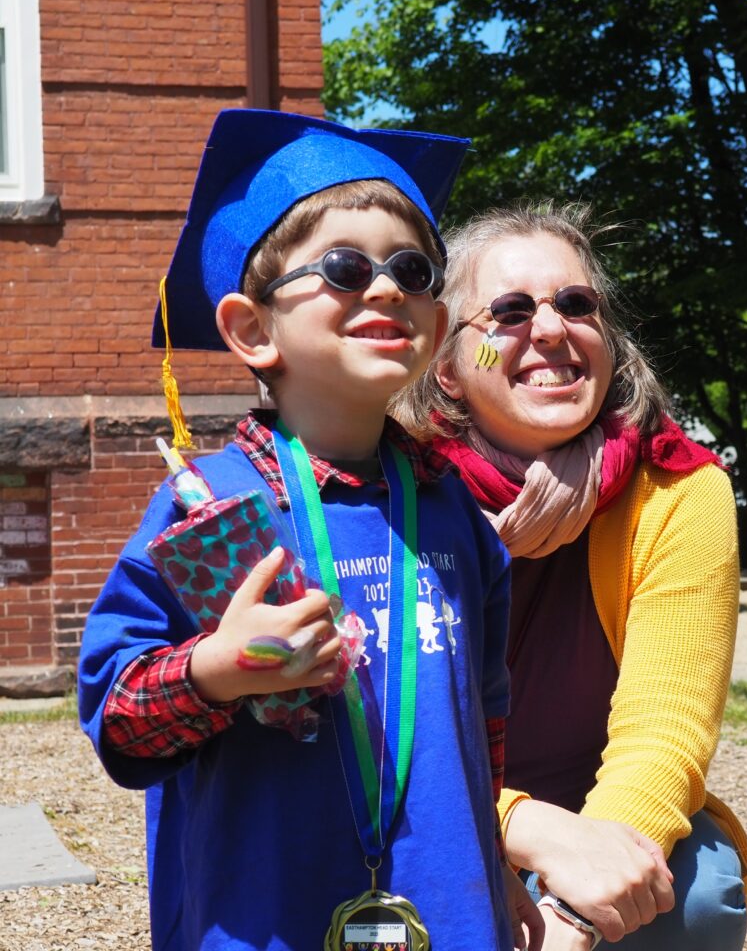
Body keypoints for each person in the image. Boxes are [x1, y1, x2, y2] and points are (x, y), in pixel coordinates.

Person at [78, 110, 542, 951]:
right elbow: (117, 724)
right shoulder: (205, 512)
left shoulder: (454, 514)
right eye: (343, 267)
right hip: (263, 916)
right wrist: (215, 672)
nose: (386, 288)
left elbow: (488, 720)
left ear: (436, 329)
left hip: (451, 914)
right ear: (252, 330)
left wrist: (497, 860)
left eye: (412, 269)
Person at [393, 202, 747, 951]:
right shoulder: (395, 498)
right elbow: (393, 741)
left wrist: (577, 907)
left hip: (605, 820)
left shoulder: (678, 490)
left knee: (691, 896)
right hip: (430, 812)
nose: (551, 329)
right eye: (510, 311)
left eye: (576, 305)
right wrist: (521, 827)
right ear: (451, 369)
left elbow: (666, 733)